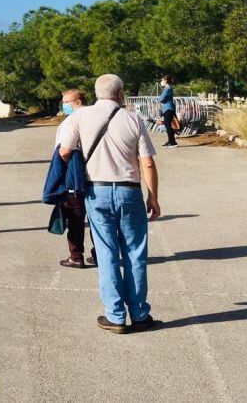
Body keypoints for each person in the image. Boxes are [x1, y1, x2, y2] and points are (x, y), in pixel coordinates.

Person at [59, 73, 160, 334]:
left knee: (106, 253)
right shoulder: (133, 119)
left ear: (96, 93)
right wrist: (153, 196)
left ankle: (115, 316)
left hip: (97, 191)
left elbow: (64, 151)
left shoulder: (79, 117)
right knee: (135, 253)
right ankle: (139, 313)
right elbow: (147, 162)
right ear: (120, 93)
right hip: (129, 191)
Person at [48, 88, 97, 268]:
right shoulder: (96, 117)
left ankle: (76, 256)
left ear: (77, 101)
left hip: (75, 176)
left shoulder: (71, 121)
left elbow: (65, 150)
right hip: (98, 174)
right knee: (97, 219)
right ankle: (99, 254)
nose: (64, 105)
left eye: (66, 102)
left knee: (75, 217)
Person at [158, 75, 178, 148]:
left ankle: (172, 142)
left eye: (162, 80)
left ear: (165, 81)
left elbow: (161, 99)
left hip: (167, 109)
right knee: (168, 126)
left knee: (168, 126)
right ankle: (171, 141)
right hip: (168, 108)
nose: (161, 81)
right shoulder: (169, 88)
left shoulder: (167, 88)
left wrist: (159, 98)